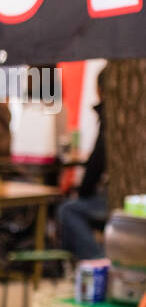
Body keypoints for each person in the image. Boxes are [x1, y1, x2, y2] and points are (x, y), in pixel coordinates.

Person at [57, 75, 108, 263]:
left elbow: (96, 165)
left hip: (111, 198)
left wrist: (83, 191)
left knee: (67, 210)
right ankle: (74, 266)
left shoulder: (111, 118)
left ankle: (96, 261)